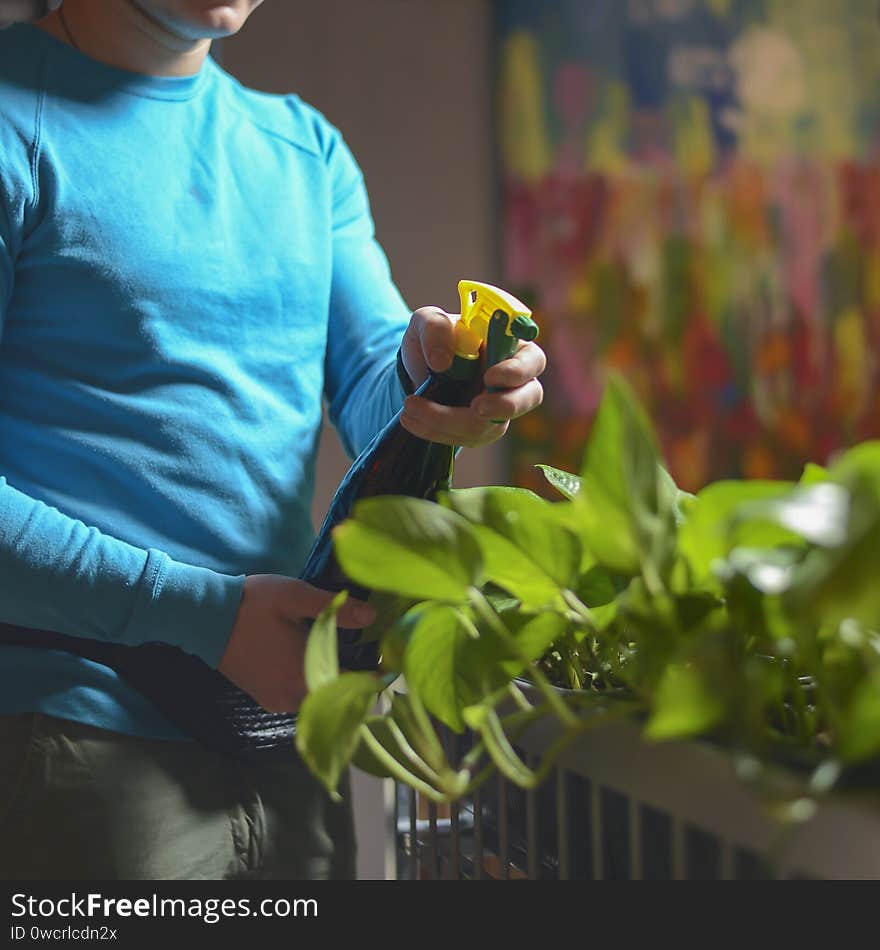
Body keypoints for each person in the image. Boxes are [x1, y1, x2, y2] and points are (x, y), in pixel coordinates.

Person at [0, 0, 546, 879]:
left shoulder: (303, 150)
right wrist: (199, 616)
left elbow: (379, 378)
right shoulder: (12, 119)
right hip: (73, 735)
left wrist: (441, 376)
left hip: (288, 732)